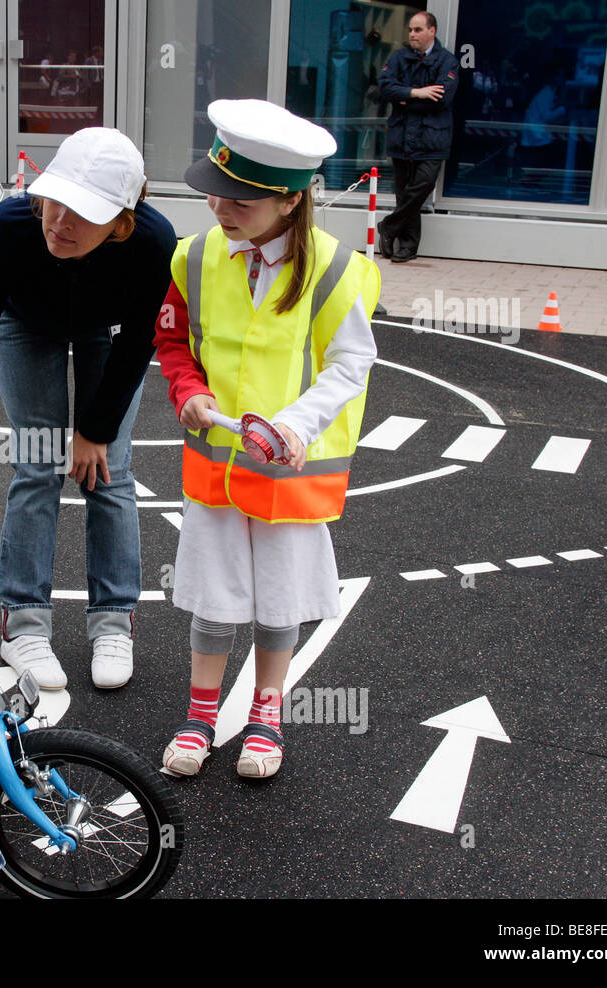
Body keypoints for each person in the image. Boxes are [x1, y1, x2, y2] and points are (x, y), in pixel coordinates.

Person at [155, 99, 379, 780]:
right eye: (216, 192)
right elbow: (171, 341)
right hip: (216, 470)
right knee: (213, 596)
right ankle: (199, 714)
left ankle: (265, 715)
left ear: (290, 201)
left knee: (278, 598)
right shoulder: (192, 257)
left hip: (287, 474)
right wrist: (187, 391)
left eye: (241, 202)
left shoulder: (339, 269)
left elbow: (350, 363)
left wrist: (294, 426)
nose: (221, 209)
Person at [0, 128, 176, 690]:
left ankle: (114, 621)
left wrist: (95, 430)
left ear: (121, 221)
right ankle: (23, 626)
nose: (59, 223)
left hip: (109, 330)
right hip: (23, 323)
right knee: (39, 465)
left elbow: (139, 342)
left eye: (82, 214)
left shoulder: (153, 243)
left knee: (109, 472)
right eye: (56, 202)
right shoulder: (2, 228)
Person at [376, 10, 458, 261]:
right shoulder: (399, 58)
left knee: (422, 186)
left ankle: (389, 227)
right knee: (404, 190)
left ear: (432, 31)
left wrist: (404, 99)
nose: (412, 34)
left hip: (433, 137)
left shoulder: (447, 61)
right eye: (411, 29)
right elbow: (384, 87)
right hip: (402, 136)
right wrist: (417, 93)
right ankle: (407, 247)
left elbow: (442, 99)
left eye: (418, 29)